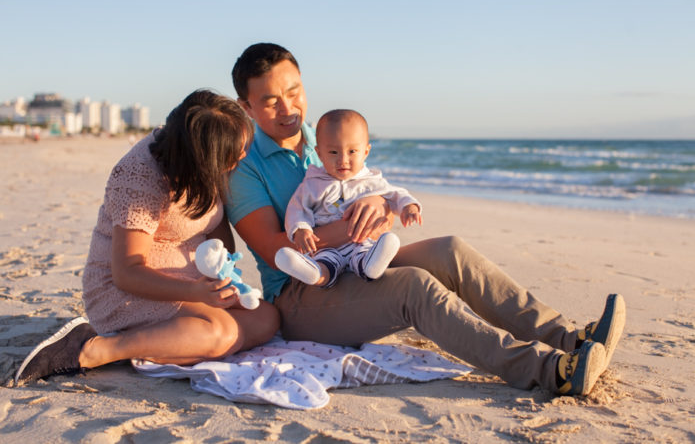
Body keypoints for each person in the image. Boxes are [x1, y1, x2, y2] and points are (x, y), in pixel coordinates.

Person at [226, 42, 626, 396]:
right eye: (270, 100)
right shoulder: (243, 168)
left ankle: (567, 340)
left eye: (294, 92)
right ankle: (549, 370)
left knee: (450, 250)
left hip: (358, 263)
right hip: (301, 296)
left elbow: (377, 194)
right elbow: (276, 249)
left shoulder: (330, 137)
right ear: (246, 106)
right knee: (413, 288)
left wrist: (383, 207)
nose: (288, 108)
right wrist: (347, 227)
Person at [15, 89, 280, 384]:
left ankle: (164, 342)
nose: (243, 155)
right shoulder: (140, 177)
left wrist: (224, 273)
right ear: (204, 156)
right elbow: (127, 272)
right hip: (130, 291)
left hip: (193, 284)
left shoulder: (202, 164)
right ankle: (95, 349)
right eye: (236, 152)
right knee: (224, 333)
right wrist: (195, 293)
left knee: (265, 319)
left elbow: (213, 224)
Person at [274, 108, 422, 287]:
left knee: (366, 251)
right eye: (333, 153)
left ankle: (371, 266)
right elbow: (297, 208)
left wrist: (409, 206)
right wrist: (300, 229)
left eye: (352, 151)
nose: (343, 160)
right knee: (326, 262)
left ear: (366, 152)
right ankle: (315, 273)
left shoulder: (370, 180)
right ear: (319, 153)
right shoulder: (313, 184)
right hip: (329, 248)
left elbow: (395, 193)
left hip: (361, 242)